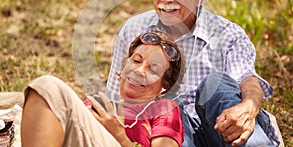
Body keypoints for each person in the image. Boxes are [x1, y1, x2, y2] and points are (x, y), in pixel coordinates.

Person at [105, 0, 281, 147]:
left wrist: (249, 106)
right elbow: (116, 93)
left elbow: (247, 79)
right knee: (169, 106)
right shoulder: (134, 28)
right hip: (169, 133)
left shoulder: (227, 34)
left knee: (216, 83)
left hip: (223, 128)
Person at [21, 31, 185, 147]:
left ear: (164, 87)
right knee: (44, 91)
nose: (139, 71)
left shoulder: (164, 110)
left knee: (49, 87)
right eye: (136, 60)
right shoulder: (98, 104)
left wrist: (121, 137)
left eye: (153, 70)